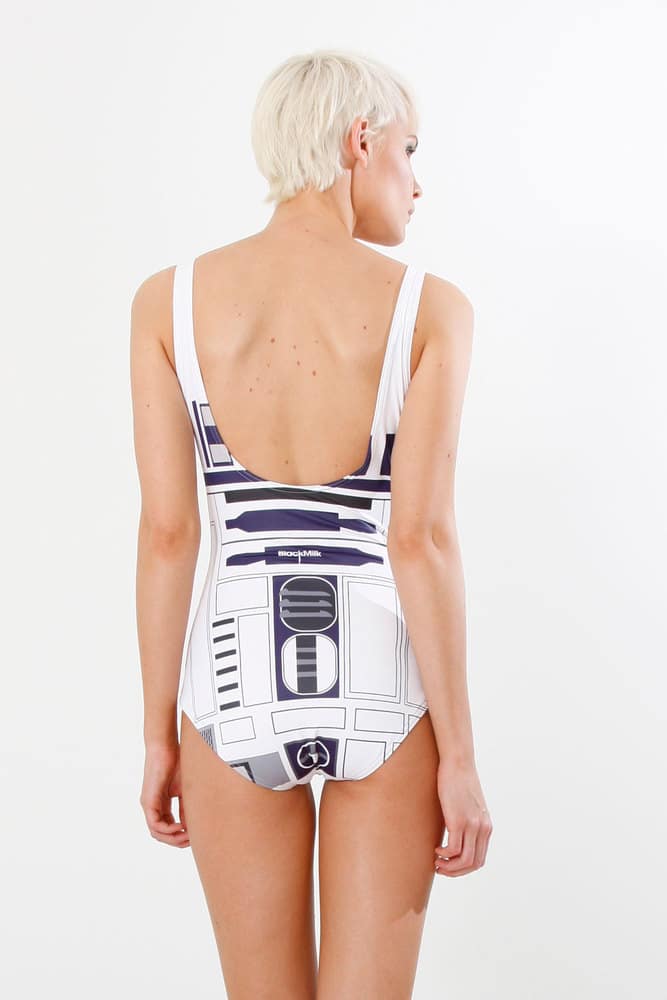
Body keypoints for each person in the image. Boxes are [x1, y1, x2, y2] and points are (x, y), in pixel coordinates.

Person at [130, 48, 492, 999]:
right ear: (358, 141)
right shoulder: (428, 308)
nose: (417, 182)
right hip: (383, 677)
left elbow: (169, 535)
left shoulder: (169, 302)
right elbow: (419, 540)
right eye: (409, 151)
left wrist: (159, 735)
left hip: (230, 683)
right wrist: (459, 758)